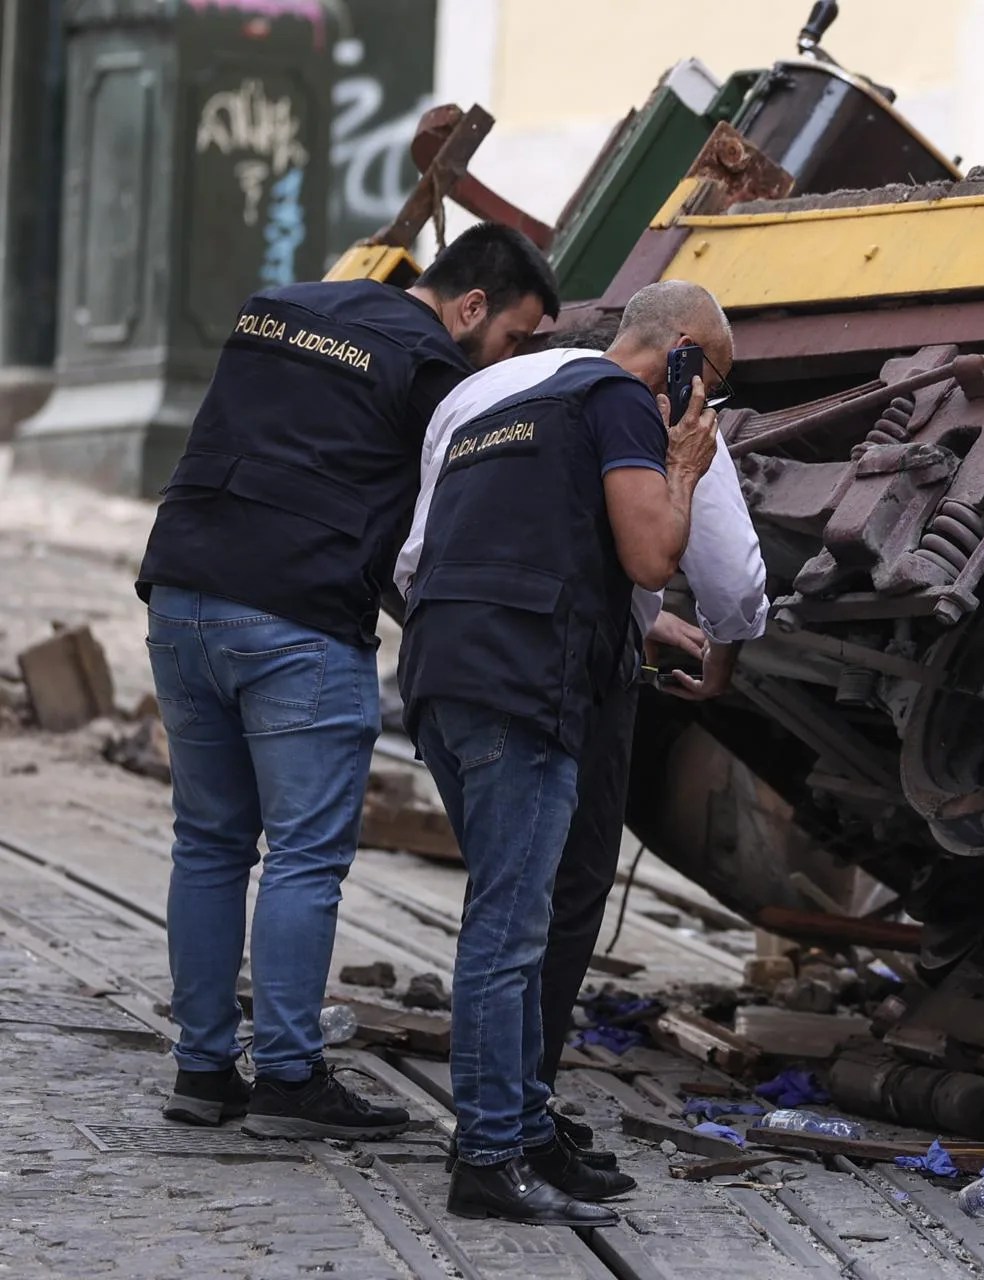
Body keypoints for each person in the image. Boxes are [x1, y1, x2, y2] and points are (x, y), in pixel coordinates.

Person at [137, 224, 559, 1139]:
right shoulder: (434, 372)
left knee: (208, 843)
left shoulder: (276, 308)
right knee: (302, 856)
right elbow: (441, 530)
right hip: (296, 618)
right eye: (517, 339)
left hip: (180, 594)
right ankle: (288, 1078)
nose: (508, 360)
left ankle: (203, 1070)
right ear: (471, 306)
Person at [391, 293, 765, 1181]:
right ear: (680, 357)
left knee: (510, 908)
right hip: (527, 683)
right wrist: (683, 461)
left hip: (442, 669)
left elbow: (417, 560)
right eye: (710, 379)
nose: (706, 401)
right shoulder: (628, 404)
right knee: (516, 927)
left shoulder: (490, 399)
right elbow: (663, 560)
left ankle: (523, 1127)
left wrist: (633, 624)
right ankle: (488, 1156)